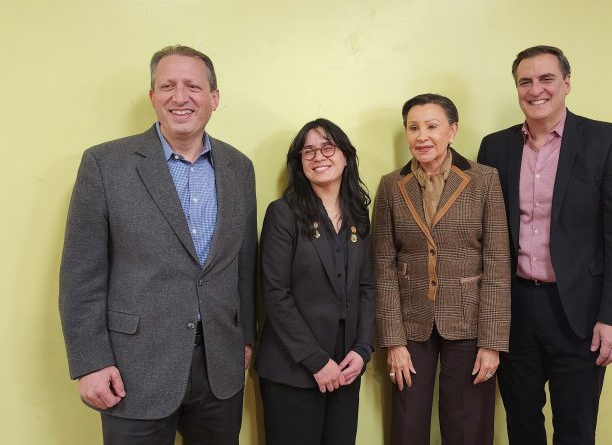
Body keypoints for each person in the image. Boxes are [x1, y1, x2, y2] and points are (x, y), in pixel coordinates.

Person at [58, 45, 257, 444]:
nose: (179, 97)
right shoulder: (105, 164)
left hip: (220, 369)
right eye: (167, 85)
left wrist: (246, 337)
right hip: (134, 371)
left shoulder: (239, 167)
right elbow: (81, 273)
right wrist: (91, 362)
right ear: (152, 97)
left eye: (193, 86)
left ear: (214, 98)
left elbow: (244, 264)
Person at [478, 45, 612, 444]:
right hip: (514, 309)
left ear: (566, 83)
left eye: (546, 78)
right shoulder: (494, 147)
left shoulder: (605, 139)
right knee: (522, 422)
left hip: (580, 313)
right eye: (525, 81)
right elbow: (482, 233)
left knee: (575, 425)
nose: (536, 89)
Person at [373, 93, 511, 445]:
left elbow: (497, 263)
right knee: (407, 425)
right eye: (414, 127)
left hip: (469, 321)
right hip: (410, 323)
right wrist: (393, 341)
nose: (422, 136)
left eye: (432, 126)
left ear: (453, 130)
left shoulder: (484, 180)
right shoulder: (391, 185)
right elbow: (383, 267)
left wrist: (492, 342)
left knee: (468, 427)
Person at [254, 118, 374, 445]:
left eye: (327, 147)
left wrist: (363, 350)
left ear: (346, 156)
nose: (318, 156)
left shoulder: (359, 216)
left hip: (346, 366)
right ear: (299, 163)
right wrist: (316, 361)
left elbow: (367, 287)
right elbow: (275, 294)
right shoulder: (283, 213)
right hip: (293, 369)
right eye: (308, 151)